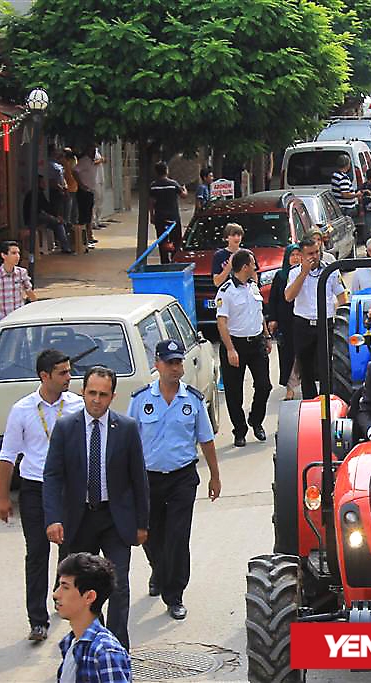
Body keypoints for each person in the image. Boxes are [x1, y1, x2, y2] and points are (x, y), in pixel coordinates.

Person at [43, 366, 149, 650]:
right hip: (79, 520)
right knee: (83, 588)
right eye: (92, 393)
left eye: (103, 394)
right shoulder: (66, 428)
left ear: (113, 396)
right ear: (83, 392)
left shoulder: (125, 428)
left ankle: (117, 647)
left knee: (119, 584)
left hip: (115, 519)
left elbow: (138, 477)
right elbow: (52, 475)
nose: (97, 400)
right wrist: (53, 518)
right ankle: (90, 643)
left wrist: (142, 523)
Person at [128, 340, 220, 620]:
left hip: (182, 478)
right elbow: (129, 442)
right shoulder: (141, 399)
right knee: (151, 535)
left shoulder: (191, 400)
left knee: (178, 537)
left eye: (178, 362)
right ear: (157, 364)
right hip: (148, 479)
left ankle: (174, 594)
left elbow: (206, 438)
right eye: (169, 362)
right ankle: (158, 570)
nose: (175, 367)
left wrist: (215, 476)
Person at [0, 349, 84, 643]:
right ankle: (37, 620)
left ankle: (68, 606)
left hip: (68, 488)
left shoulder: (76, 405)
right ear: (44, 376)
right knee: (37, 552)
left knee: (69, 553)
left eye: (69, 372)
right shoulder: (22, 410)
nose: (68, 378)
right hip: (35, 488)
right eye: (62, 373)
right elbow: (8, 456)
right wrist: (3, 497)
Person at [215, 250, 274, 447]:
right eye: (253, 263)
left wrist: (266, 337)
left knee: (265, 386)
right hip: (235, 345)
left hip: (256, 343)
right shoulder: (226, 291)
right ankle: (239, 429)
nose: (256, 267)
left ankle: (256, 421)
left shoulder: (253, 287)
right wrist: (230, 349)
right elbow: (222, 323)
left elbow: (259, 313)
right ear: (245, 267)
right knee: (234, 393)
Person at [284, 237, 348, 399]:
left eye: (316, 252)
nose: (314, 256)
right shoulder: (295, 273)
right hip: (303, 324)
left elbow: (341, 296)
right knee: (305, 369)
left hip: (324, 323)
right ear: (302, 255)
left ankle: (326, 401)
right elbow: (289, 296)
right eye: (310, 254)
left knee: (326, 366)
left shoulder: (330, 271)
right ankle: (310, 402)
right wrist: (304, 273)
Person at [53, 553, 132, 683]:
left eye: (65, 587)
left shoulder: (105, 653)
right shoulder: (71, 643)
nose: (56, 594)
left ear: (89, 597)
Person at [269, 244, 302, 399]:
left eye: (298, 254)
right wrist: (273, 319)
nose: (295, 258)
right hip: (285, 321)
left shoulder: (305, 274)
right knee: (287, 355)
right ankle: (289, 387)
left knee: (302, 353)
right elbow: (273, 299)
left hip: (302, 318)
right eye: (292, 255)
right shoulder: (280, 276)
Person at [0, 241, 36, 325]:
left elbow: (29, 291)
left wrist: (37, 305)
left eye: (18, 253)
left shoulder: (22, 272)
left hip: (19, 319)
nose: (17, 256)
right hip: (2, 320)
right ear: (4, 255)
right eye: (13, 253)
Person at [149, 161, 188, 265]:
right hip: (173, 218)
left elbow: (151, 202)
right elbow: (183, 195)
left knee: (162, 241)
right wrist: (184, 189)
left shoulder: (153, 186)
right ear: (166, 170)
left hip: (160, 218)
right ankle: (175, 260)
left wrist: (151, 216)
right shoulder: (173, 184)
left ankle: (164, 263)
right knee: (176, 241)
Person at [25, 175, 73, 254]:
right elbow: (46, 208)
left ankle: (63, 244)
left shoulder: (36, 193)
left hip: (35, 217)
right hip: (34, 219)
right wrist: (56, 217)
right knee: (59, 223)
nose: (45, 184)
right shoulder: (36, 193)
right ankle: (66, 247)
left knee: (57, 223)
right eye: (43, 182)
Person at [74, 150, 99, 248]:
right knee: (84, 216)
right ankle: (84, 239)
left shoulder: (92, 161)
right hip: (84, 192)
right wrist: (81, 185)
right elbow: (75, 171)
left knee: (89, 215)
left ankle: (89, 236)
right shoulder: (84, 161)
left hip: (90, 191)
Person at [211, 223, 243, 288]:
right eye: (233, 235)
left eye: (239, 235)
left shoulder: (247, 254)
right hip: (225, 293)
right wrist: (229, 266)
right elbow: (217, 283)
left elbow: (254, 278)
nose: (236, 238)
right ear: (226, 238)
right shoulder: (219, 255)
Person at [330, 155, 359, 222]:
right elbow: (345, 194)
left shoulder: (335, 175)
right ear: (347, 165)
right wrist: (357, 195)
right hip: (346, 209)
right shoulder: (343, 178)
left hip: (340, 207)